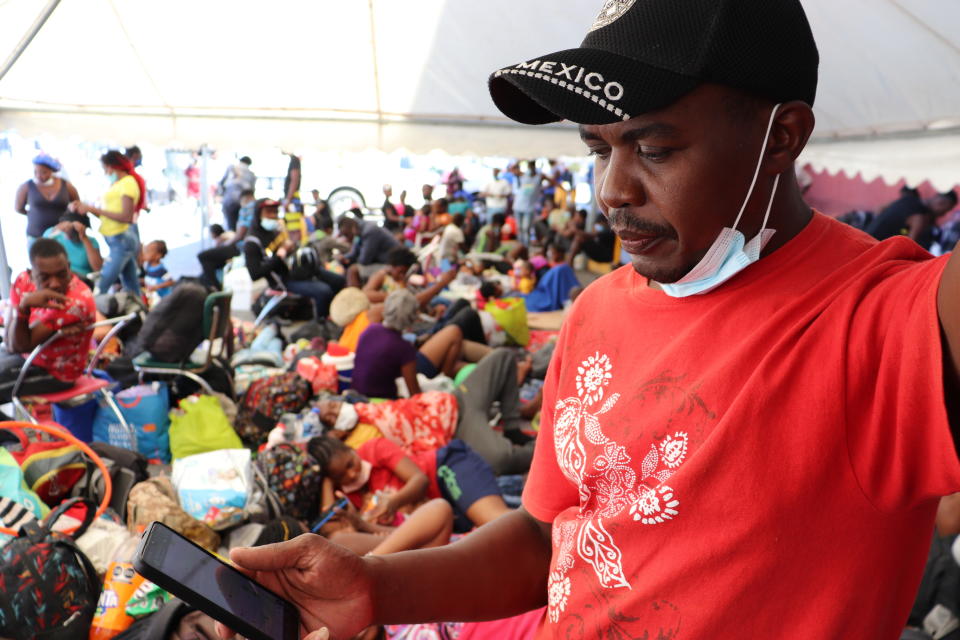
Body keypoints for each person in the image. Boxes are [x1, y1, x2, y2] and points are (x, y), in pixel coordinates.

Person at [218, 2, 960, 639]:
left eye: (655, 147)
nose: (612, 190)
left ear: (783, 137)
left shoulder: (879, 322)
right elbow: (549, 538)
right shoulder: (600, 308)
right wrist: (378, 585)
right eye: (596, 147)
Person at [307, 434, 511, 533]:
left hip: (444, 471)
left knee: (499, 525)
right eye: (341, 475)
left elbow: (419, 480)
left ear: (351, 449)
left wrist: (393, 503)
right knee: (488, 537)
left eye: (351, 464)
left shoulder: (374, 449)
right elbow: (329, 527)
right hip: (443, 517)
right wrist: (327, 483)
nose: (352, 474)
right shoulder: (347, 495)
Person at [4, 239, 96, 391]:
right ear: (31, 274)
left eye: (61, 275)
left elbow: (17, 346)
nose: (55, 284)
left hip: (56, 373)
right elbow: (10, 341)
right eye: (44, 277)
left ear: (69, 268)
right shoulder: (22, 280)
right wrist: (21, 310)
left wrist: (23, 309)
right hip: (26, 356)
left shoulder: (75, 302)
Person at [351, 289, 464, 399]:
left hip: (358, 394)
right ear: (412, 318)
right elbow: (414, 393)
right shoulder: (404, 349)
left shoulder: (370, 330)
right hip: (383, 402)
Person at [243, 199, 345, 318]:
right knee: (324, 291)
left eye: (275, 212)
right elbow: (255, 273)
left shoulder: (275, 231)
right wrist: (280, 255)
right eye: (269, 212)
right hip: (284, 280)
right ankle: (321, 323)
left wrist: (291, 248)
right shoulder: (252, 242)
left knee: (338, 281)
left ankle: (337, 314)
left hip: (298, 270)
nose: (273, 216)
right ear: (258, 214)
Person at [69, 150, 145, 295]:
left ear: (111, 166)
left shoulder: (127, 183)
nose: (105, 172)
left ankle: (93, 311)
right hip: (118, 240)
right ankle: (141, 314)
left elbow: (126, 217)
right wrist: (86, 208)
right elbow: (109, 216)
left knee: (102, 284)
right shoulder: (120, 184)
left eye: (105, 169)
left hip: (121, 240)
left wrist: (91, 208)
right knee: (132, 287)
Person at [14, 154, 80, 246]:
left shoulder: (66, 185)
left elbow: (77, 205)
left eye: (43, 172)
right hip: (36, 236)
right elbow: (19, 208)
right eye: (35, 172)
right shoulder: (26, 187)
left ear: (51, 170)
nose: (39, 176)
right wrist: (35, 214)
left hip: (63, 236)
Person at [866, 186, 958, 250]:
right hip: (875, 249)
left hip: (867, 240)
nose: (943, 215)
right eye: (945, 211)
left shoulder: (909, 199)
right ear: (941, 203)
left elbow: (879, 208)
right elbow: (909, 246)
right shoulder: (919, 217)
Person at [338, 216, 401, 287]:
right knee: (349, 269)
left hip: (392, 265)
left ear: (352, 229)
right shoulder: (359, 231)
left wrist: (351, 260)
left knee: (352, 270)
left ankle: (355, 296)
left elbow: (364, 260)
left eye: (347, 235)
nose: (347, 238)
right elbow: (354, 253)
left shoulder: (370, 231)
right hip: (382, 262)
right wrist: (344, 258)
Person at [43, 213, 102, 283]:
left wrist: (84, 238)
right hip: (61, 276)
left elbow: (97, 268)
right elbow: (40, 247)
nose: (68, 234)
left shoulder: (91, 241)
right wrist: (58, 228)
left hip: (82, 280)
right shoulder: (56, 236)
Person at [218, 156, 255, 231]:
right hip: (243, 202)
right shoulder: (251, 174)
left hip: (229, 201)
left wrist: (221, 195)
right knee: (242, 224)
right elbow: (251, 190)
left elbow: (221, 184)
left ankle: (232, 237)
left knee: (230, 225)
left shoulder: (231, 168)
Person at [514, 162, 543, 245]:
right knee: (520, 228)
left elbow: (552, 181)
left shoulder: (539, 177)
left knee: (526, 228)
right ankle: (521, 245)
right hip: (518, 206)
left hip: (529, 208)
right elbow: (512, 169)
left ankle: (525, 245)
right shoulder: (523, 175)